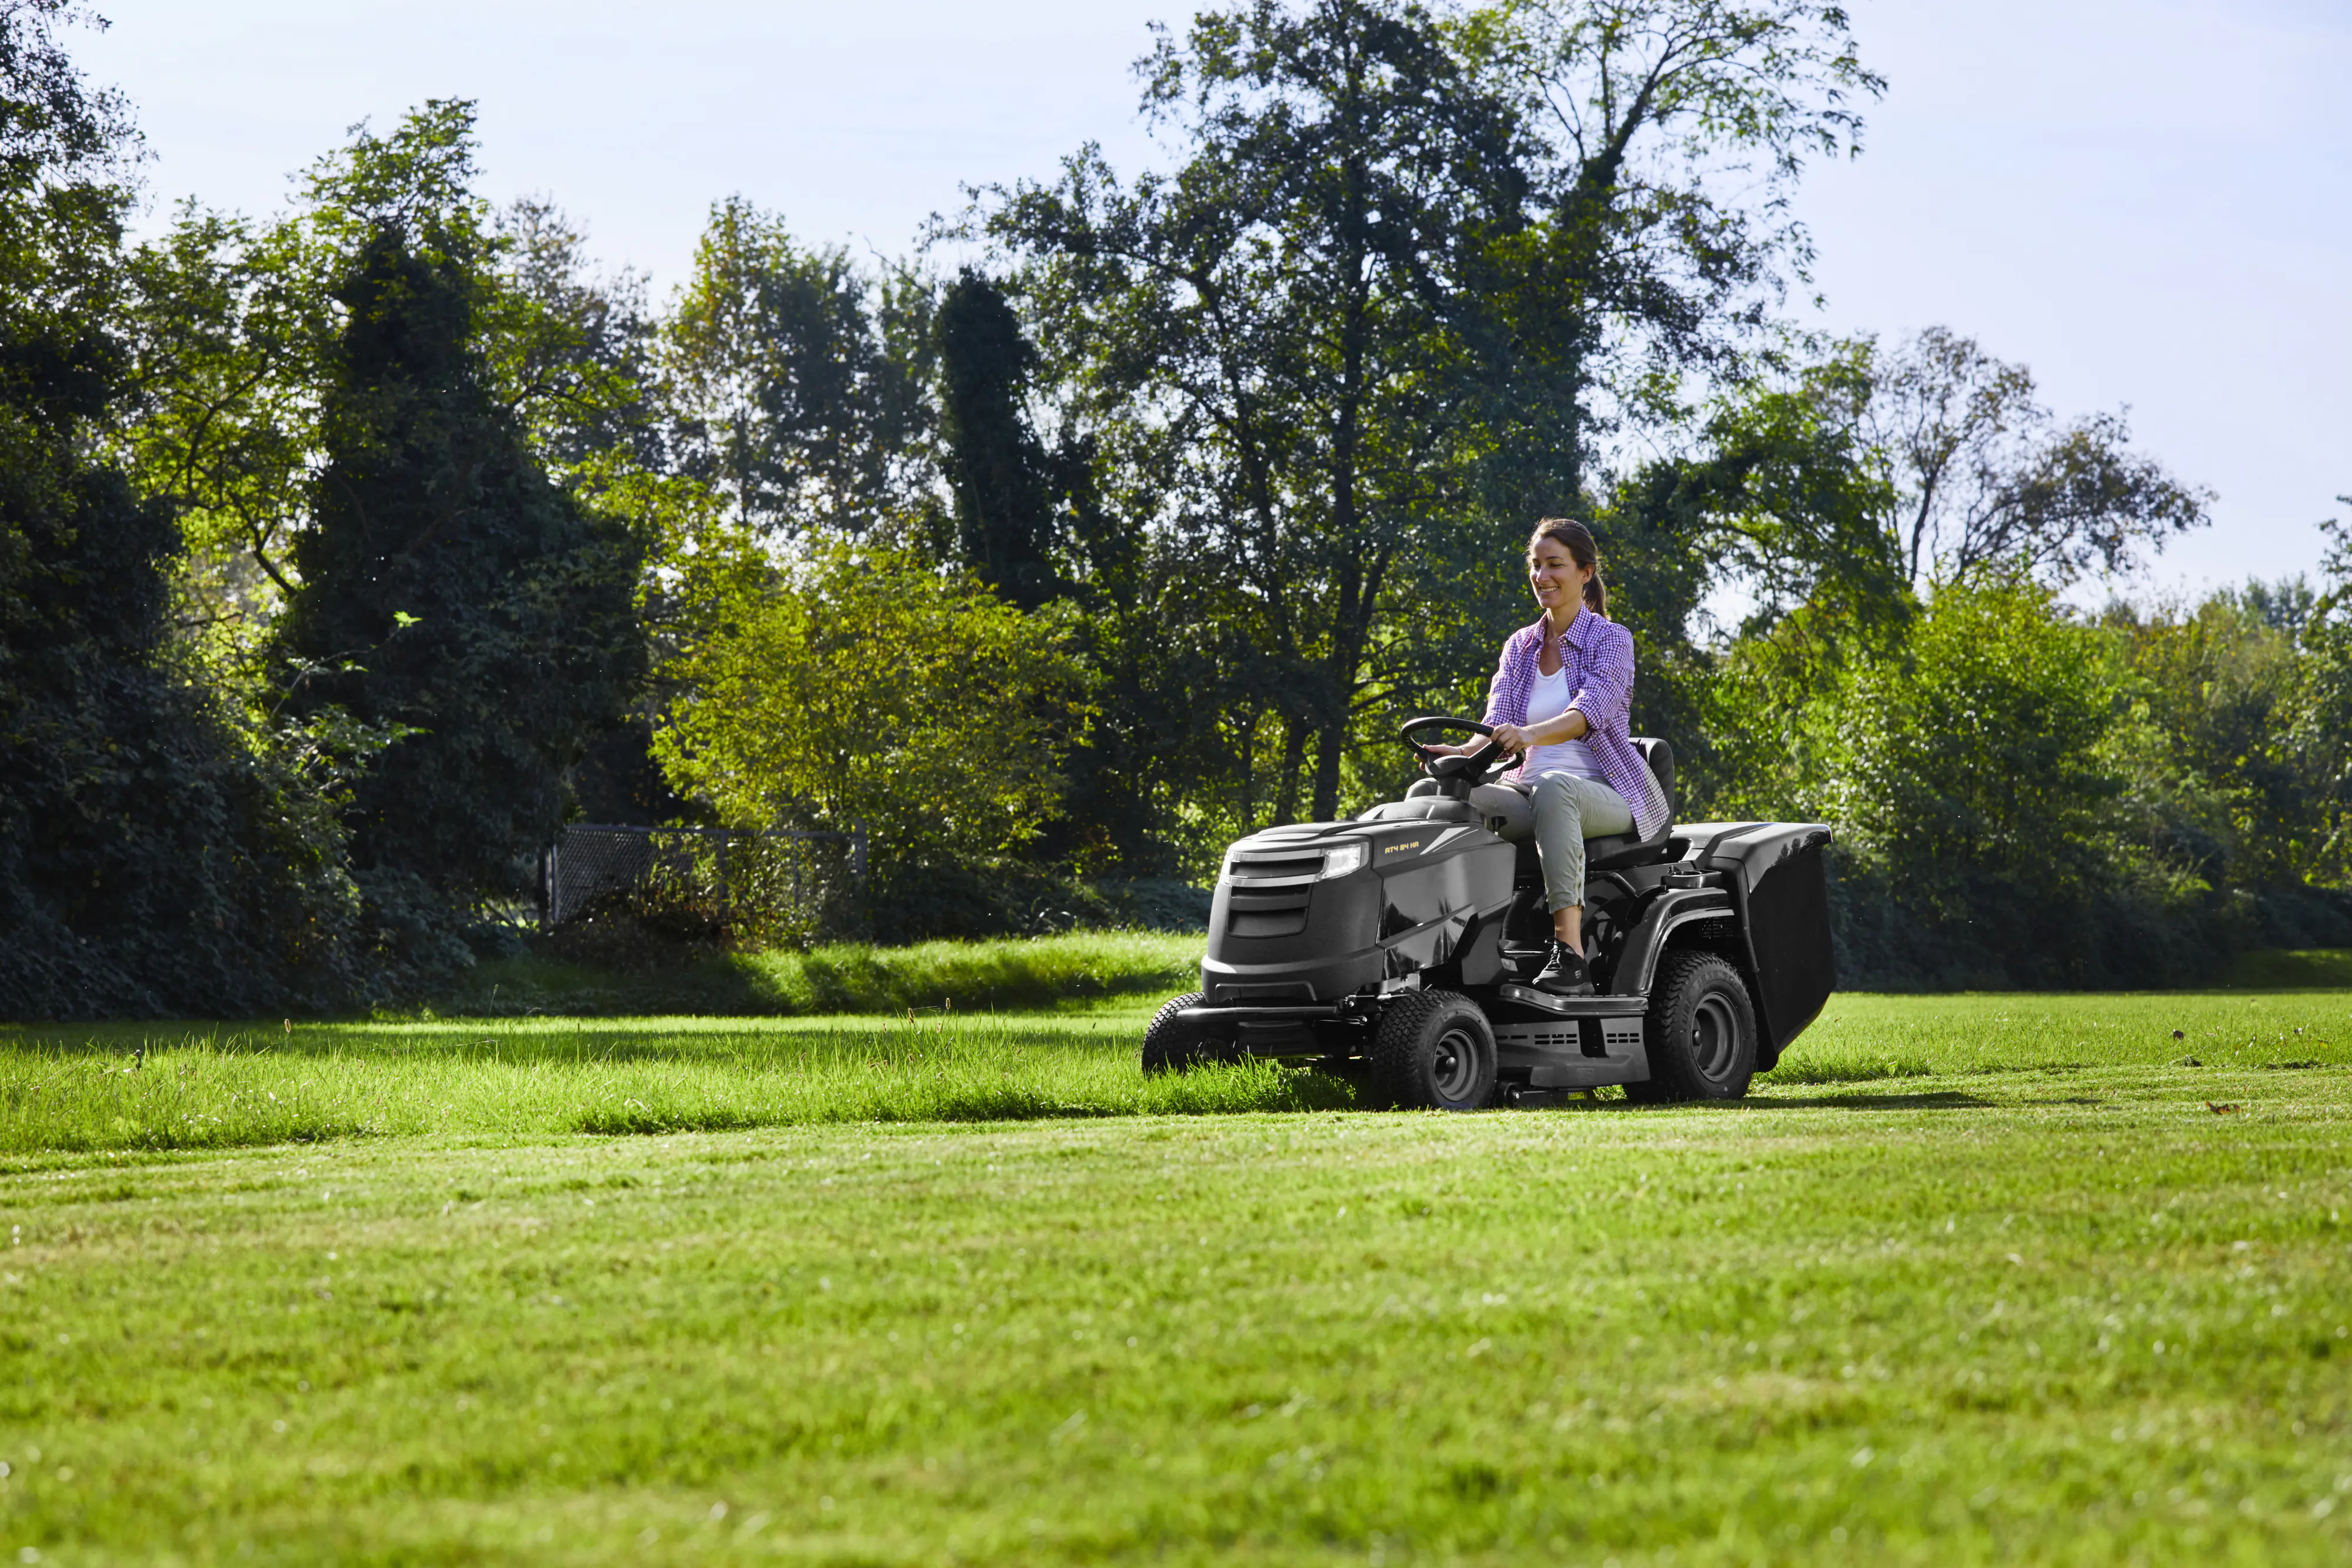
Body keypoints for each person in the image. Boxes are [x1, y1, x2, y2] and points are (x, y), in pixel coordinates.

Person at [1463, 519, 1669, 995]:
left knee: (1555, 790)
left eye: (1554, 565)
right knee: (1449, 802)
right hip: (1528, 789)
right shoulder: (1519, 647)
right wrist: (1457, 753)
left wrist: (1528, 733)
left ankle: (1569, 955)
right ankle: (1457, 945)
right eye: (1535, 566)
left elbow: (1586, 714)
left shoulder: (1612, 640)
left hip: (1609, 793)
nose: (1542, 576)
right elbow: (1495, 726)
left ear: (1584, 572)